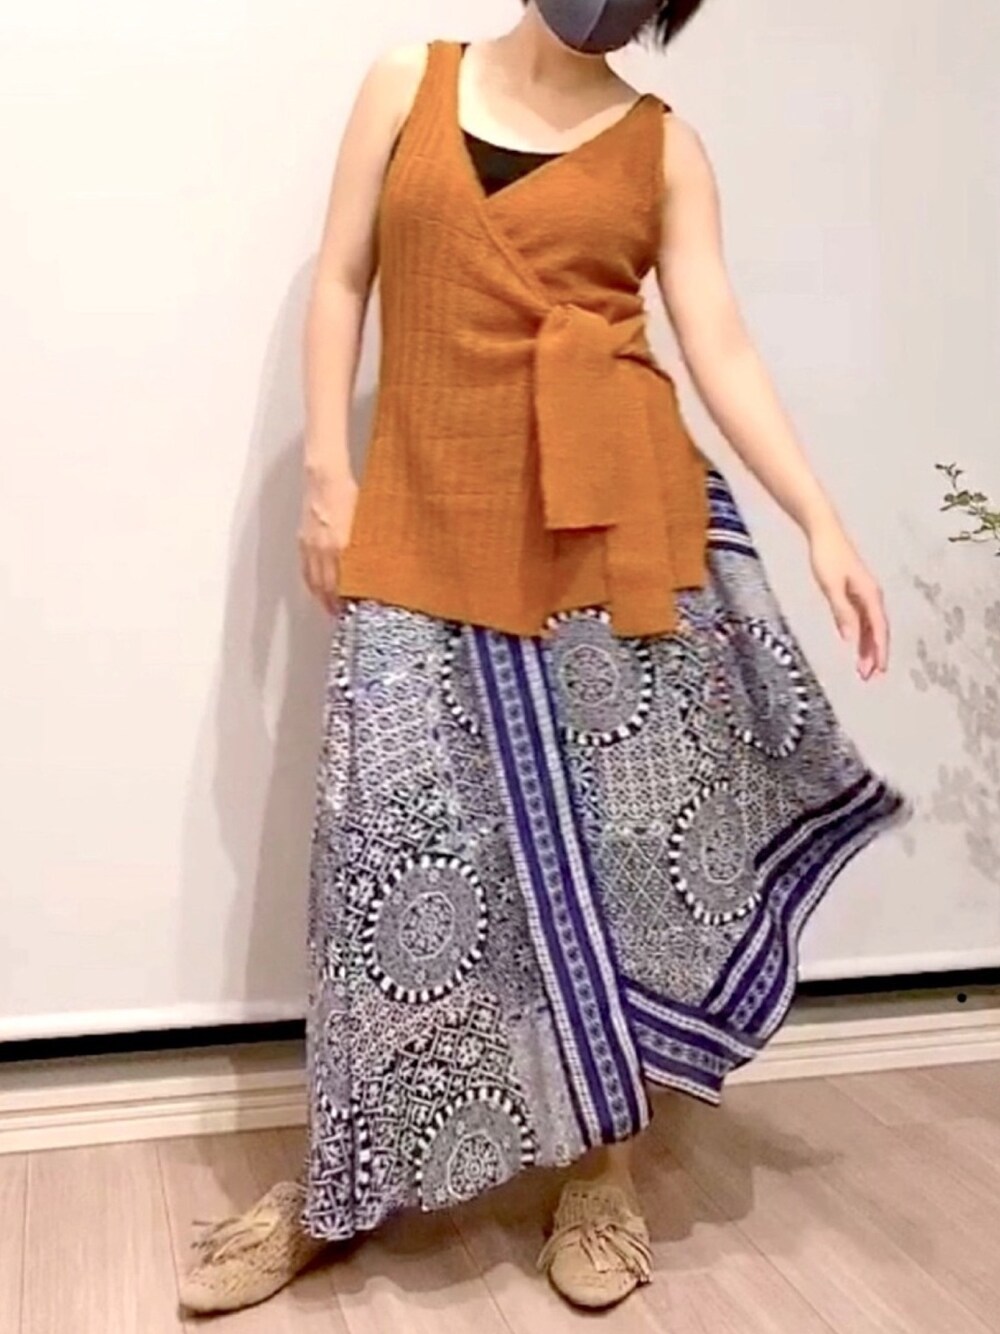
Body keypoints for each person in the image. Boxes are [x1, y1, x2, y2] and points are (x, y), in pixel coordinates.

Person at [180, 0, 907, 1316]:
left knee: (611, 858)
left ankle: (601, 1174)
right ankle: (341, 1179)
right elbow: (342, 277)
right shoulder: (407, 82)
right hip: (427, 507)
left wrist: (820, 517)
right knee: (384, 864)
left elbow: (718, 341)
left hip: (610, 524)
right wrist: (328, 473)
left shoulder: (666, 148)